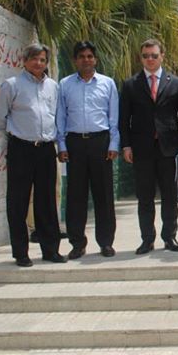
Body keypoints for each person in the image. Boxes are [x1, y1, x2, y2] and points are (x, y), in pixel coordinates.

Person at [0, 43, 67, 267]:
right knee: (18, 201)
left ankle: (50, 250)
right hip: (21, 149)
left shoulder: (53, 87)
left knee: (47, 201)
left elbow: (57, 117)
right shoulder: (12, 85)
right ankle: (21, 253)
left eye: (43, 60)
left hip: (45, 149)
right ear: (24, 60)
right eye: (34, 58)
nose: (39, 63)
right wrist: (18, 135)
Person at [119, 38, 178, 254]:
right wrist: (126, 146)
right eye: (145, 56)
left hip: (168, 147)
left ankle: (170, 237)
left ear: (162, 56)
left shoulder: (176, 83)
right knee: (144, 197)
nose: (150, 59)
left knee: (170, 196)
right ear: (140, 58)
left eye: (154, 55)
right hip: (141, 148)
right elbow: (124, 118)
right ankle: (147, 239)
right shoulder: (131, 84)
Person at [56, 41, 119, 259]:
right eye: (81, 56)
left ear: (96, 59)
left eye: (90, 56)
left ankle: (106, 242)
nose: (86, 60)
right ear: (75, 60)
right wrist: (62, 145)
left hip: (100, 142)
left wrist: (113, 144)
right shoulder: (64, 85)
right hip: (75, 143)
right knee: (76, 196)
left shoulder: (107, 83)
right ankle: (77, 243)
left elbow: (113, 117)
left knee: (104, 195)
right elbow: (61, 117)